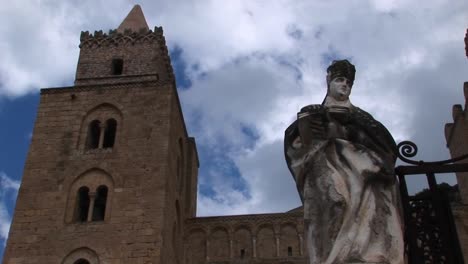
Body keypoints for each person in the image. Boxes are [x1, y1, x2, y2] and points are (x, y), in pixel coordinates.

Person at [284, 60, 404, 264]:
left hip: (366, 176)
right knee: (336, 202)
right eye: (340, 80)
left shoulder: (363, 118)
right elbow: (297, 144)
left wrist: (351, 121)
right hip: (327, 165)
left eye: (348, 82)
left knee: (369, 217)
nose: (344, 85)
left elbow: (386, 147)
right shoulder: (314, 112)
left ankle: (364, 254)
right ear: (329, 81)